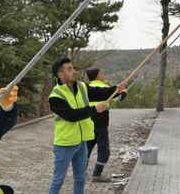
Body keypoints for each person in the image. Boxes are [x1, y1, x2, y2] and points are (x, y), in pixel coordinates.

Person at [48, 57, 125, 194]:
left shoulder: (82, 86)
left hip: (82, 142)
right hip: (65, 144)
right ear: (60, 74)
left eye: (73, 68)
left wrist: (116, 90)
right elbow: (72, 116)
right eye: (69, 69)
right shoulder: (55, 96)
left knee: (80, 178)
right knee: (58, 179)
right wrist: (95, 109)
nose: (74, 71)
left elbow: (99, 93)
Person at [86, 68, 127, 182]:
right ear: (97, 76)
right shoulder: (104, 88)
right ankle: (96, 175)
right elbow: (118, 98)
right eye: (101, 73)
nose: (103, 74)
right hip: (101, 124)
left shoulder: (86, 89)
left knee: (86, 149)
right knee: (104, 151)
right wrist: (123, 92)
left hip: (88, 123)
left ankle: (80, 173)